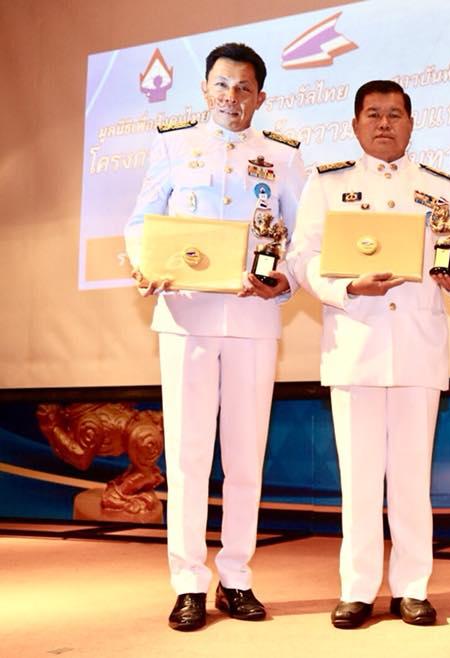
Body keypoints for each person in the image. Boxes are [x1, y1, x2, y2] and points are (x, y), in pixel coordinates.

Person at [124, 42, 306, 631]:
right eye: (222, 85)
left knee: (246, 456)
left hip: (253, 319)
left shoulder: (283, 157)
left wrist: (284, 277)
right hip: (187, 316)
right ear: (205, 89)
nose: (232, 96)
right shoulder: (174, 145)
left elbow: (305, 238)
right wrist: (145, 263)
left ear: (260, 96)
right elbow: (140, 221)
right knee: (187, 456)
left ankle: (237, 577)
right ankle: (188, 583)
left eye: (244, 87)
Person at [287, 80, 450, 629]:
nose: (384, 123)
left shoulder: (439, 186)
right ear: (355, 124)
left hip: (417, 348)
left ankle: (412, 589)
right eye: (373, 114)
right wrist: (345, 288)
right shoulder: (328, 184)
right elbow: (301, 258)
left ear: (411, 123)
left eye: (394, 114)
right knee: (360, 482)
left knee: (412, 481)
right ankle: (358, 589)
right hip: (355, 346)